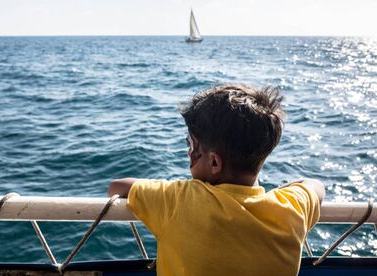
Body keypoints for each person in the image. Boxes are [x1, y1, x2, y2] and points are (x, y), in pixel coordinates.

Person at [108, 84, 325, 276]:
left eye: (191, 146)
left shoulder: (177, 201)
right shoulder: (292, 207)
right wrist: (289, 190)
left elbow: (116, 187)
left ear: (214, 163)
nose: (188, 153)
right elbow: (316, 186)